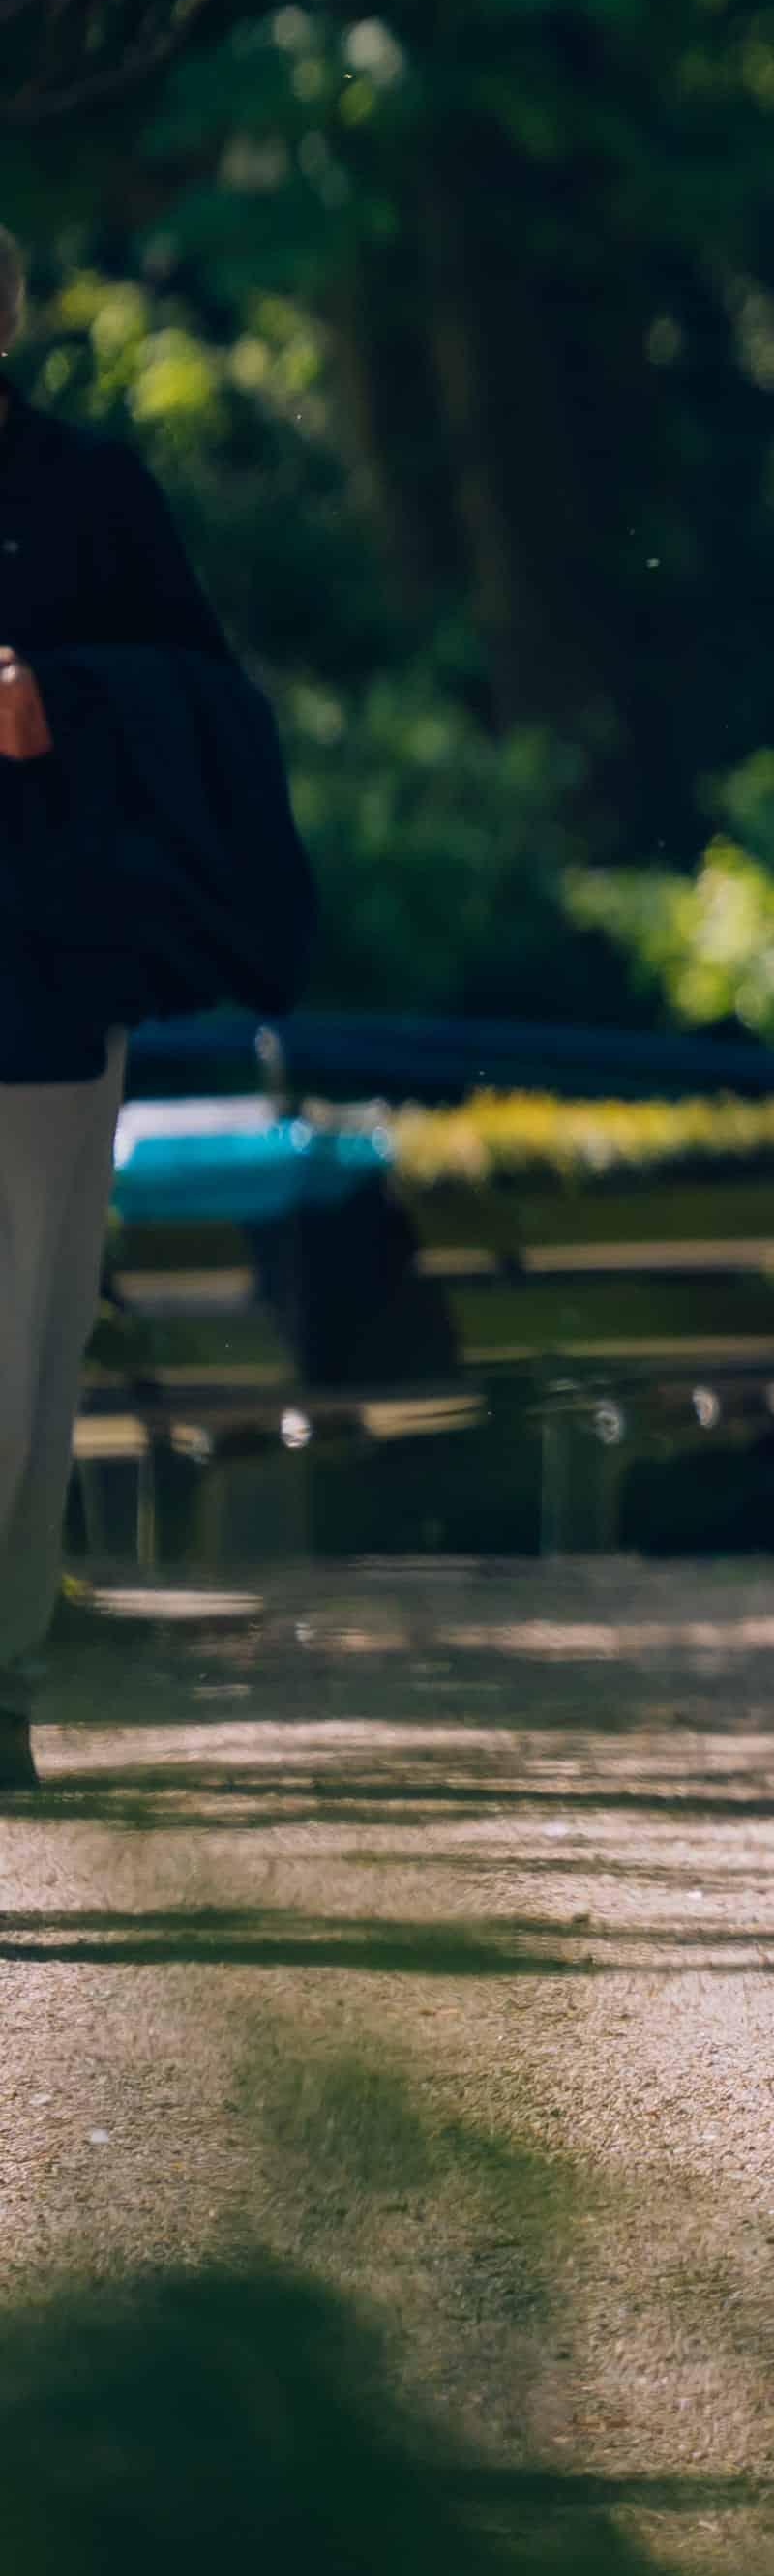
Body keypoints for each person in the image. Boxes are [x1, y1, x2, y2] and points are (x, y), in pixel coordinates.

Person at [0, 227, 303, 1795]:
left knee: (18, 1349)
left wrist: (64, 703)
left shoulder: (85, 496)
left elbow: (216, 719)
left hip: (34, 987)